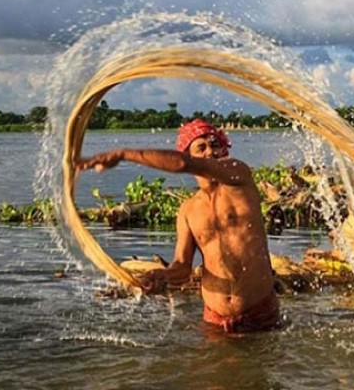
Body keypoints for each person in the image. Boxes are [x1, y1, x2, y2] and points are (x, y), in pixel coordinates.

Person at [76, 119, 279, 333]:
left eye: (215, 144)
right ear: (188, 153)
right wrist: (161, 277)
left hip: (260, 314)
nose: (210, 151)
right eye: (201, 147)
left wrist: (123, 154)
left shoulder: (239, 178)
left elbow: (183, 164)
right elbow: (182, 267)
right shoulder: (188, 209)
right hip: (214, 318)